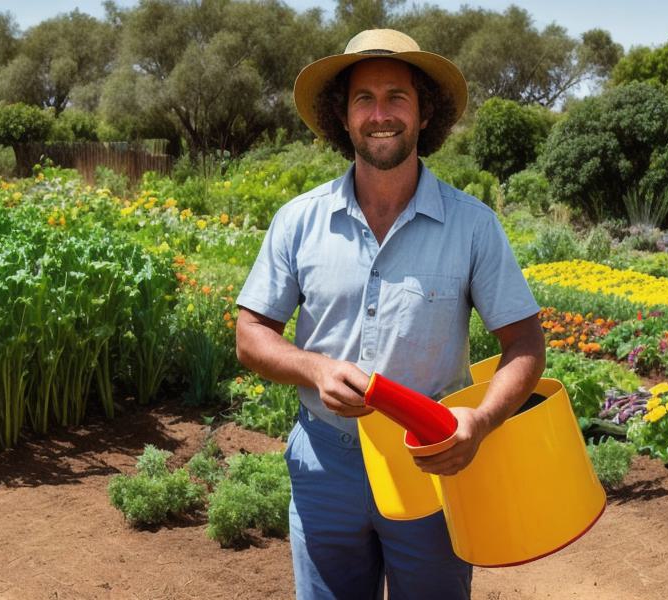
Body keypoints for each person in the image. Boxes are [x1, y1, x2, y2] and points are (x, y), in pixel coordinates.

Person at [233, 29, 546, 599]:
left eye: (397, 96)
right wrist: (315, 370)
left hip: (431, 467)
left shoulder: (473, 226)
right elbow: (251, 334)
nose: (381, 114)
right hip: (325, 466)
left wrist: (478, 422)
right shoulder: (300, 221)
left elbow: (525, 345)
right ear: (343, 116)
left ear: (425, 112)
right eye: (364, 99)